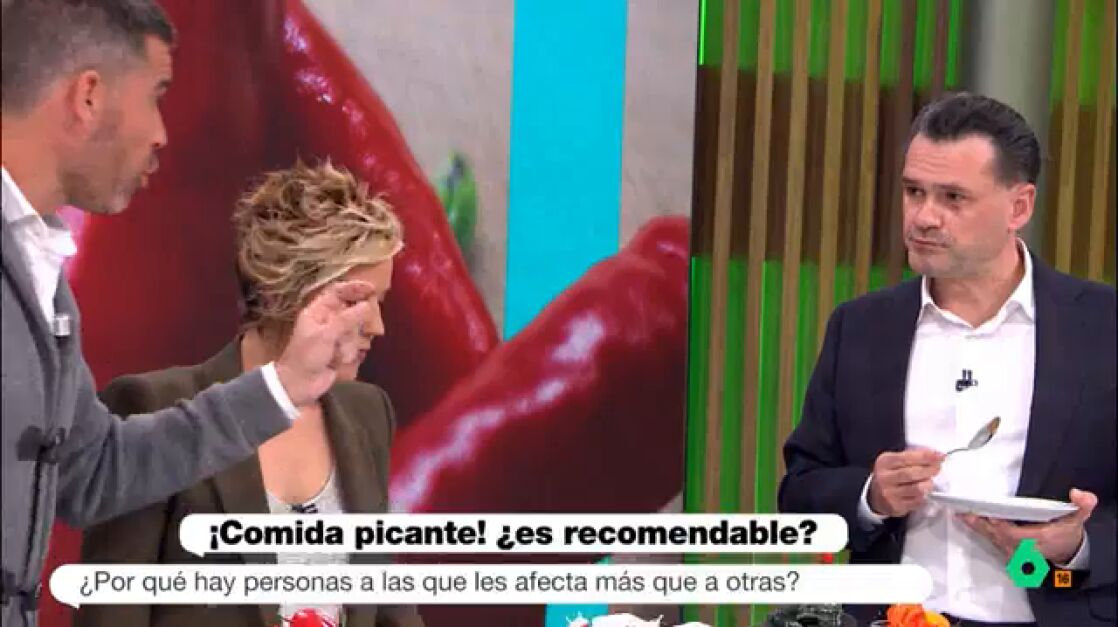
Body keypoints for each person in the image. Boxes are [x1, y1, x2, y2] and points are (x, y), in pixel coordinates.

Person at [1, 2, 373, 626]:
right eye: (156, 95)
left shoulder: (43, 276)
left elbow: (96, 471)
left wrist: (282, 386)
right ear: (88, 97)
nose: (161, 135)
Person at [779, 92, 1115, 627]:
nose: (923, 217)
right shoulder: (862, 327)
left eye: (953, 198)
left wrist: (1078, 546)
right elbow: (801, 490)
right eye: (913, 191)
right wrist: (871, 495)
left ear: (1019, 207)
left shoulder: (1102, 328)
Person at [76, 160, 423, 627]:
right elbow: (112, 614)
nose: (377, 326)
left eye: (380, 302)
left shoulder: (368, 412)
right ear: (295, 294)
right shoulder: (154, 407)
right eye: (358, 302)